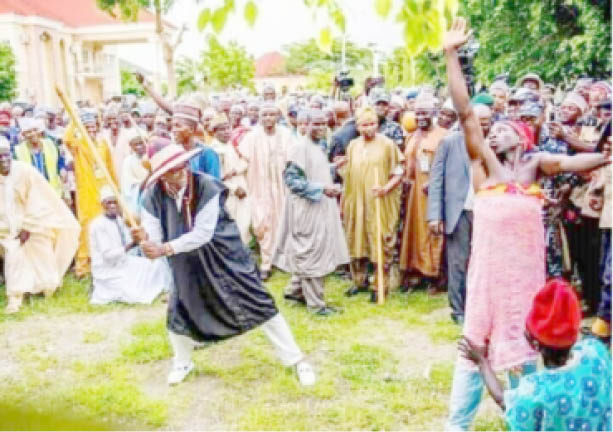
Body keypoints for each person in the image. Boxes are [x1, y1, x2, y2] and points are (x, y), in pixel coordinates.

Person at [442, 18, 610, 430]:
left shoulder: (537, 169)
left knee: (528, 348)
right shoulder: (484, 167)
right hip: (488, 280)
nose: (492, 134)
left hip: (526, 280)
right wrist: (451, 54)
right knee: (473, 349)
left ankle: (533, 415)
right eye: (490, 131)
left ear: (522, 137)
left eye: (501, 129)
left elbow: (577, 161)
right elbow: (465, 112)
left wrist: (605, 155)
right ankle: (456, 424)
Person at [131, 143, 315, 386]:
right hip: (184, 259)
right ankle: (182, 362)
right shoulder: (151, 196)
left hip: (223, 253)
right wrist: (147, 244)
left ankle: (296, 360)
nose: (182, 172)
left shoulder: (206, 185)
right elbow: (154, 235)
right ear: (162, 175)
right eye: (174, 170)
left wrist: (164, 248)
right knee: (179, 307)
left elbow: (203, 233)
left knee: (258, 301)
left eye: (183, 166)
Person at [460, 279, 612, 431]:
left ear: (535, 342)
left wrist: (482, 362)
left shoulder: (535, 391)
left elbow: (505, 401)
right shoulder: (596, 354)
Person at [273, 109, 349, 315]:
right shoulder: (300, 148)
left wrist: (333, 168)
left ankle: (294, 291)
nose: (320, 128)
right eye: (316, 124)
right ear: (305, 125)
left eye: (324, 124)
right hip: (306, 210)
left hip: (320, 208)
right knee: (312, 253)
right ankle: (316, 305)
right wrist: (322, 189)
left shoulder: (319, 146)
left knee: (314, 250)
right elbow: (292, 181)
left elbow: (314, 170)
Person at [428, 104, 492, 324]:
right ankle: (459, 310)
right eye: (479, 119)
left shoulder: (493, 144)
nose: (483, 124)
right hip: (459, 212)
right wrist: (435, 215)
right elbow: (436, 180)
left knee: (483, 261)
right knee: (458, 262)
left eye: (487, 120)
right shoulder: (449, 142)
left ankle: (480, 307)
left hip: (487, 212)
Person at [0, 137, 80, 313]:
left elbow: (39, 199)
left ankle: (47, 288)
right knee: (14, 257)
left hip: (34, 221)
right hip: (7, 228)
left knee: (42, 253)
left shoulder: (25, 172)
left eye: (6, 155)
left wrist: (28, 226)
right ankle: (15, 298)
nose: (3, 160)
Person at [340, 107, 404, 302]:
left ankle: (380, 285)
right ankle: (359, 281)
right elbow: (348, 172)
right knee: (356, 239)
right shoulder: (352, 145)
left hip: (379, 202)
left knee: (379, 240)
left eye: (372, 124)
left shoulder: (387, 145)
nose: (368, 128)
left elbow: (399, 172)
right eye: (364, 125)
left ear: (378, 125)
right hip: (357, 201)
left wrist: (386, 188)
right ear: (357, 127)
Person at [239, 103, 296, 280]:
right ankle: (266, 261)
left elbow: (292, 160)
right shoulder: (251, 137)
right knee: (261, 223)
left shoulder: (286, 135)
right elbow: (243, 160)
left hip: (281, 186)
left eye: (272, 115)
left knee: (282, 221)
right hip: (258, 185)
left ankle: (280, 261)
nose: (268, 118)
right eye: (264, 115)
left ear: (278, 116)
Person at [89, 186, 170, 305]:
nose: (112, 206)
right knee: (135, 294)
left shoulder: (119, 220)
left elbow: (130, 240)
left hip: (124, 263)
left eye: (115, 202)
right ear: (102, 204)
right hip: (107, 271)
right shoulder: (98, 225)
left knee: (154, 266)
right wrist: (132, 244)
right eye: (108, 202)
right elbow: (108, 256)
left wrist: (142, 238)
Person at [400, 96, 448, 293]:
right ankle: (416, 272)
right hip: (413, 194)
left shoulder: (444, 136)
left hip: (433, 194)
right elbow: (406, 162)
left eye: (425, 113)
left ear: (434, 114)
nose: (421, 117)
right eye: (418, 113)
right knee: (414, 232)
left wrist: (437, 182)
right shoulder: (411, 136)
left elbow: (449, 165)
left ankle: (434, 276)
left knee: (432, 233)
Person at [64, 110, 118, 278]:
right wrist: (75, 121)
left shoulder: (103, 144)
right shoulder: (79, 144)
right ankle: (84, 266)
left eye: (93, 126)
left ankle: (106, 260)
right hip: (87, 191)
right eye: (87, 127)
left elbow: (110, 168)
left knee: (105, 224)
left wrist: (115, 188)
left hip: (103, 190)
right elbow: (67, 139)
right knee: (87, 225)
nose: (91, 130)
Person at [208, 114, 252, 245]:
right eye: (222, 129)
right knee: (234, 224)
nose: (226, 132)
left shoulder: (231, 146)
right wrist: (233, 189)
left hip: (241, 186)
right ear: (214, 132)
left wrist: (235, 171)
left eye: (228, 128)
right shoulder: (214, 150)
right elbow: (216, 177)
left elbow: (244, 162)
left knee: (244, 223)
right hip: (229, 192)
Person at [14, 117, 65, 196]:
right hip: (32, 193)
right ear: (24, 135)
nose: (33, 133)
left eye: (35, 130)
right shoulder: (18, 150)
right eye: (28, 132)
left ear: (40, 131)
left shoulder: (51, 144)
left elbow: (59, 161)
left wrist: (62, 169)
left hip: (52, 190)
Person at [171, 102, 220, 180]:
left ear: (191, 129)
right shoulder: (173, 153)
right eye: (172, 126)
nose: (173, 130)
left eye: (178, 126)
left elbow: (215, 187)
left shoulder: (207, 153)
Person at [120, 130, 149, 218]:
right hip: (139, 200)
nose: (140, 147)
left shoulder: (153, 157)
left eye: (142, 143)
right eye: (136, 144)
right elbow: (129, 186)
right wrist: (149, 177)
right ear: (131, 147)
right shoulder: (128, 161)